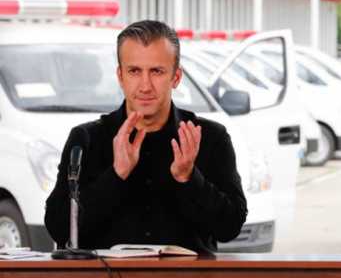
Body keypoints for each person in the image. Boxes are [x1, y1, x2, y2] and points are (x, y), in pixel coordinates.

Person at [45, 20, 247, 253]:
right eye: (134, 71)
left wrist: (189, 178)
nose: (145, 85)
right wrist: (116, 175)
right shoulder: (86, 139)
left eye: (157, 71)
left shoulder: (210, 137)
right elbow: (59, 228)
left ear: (176, 77)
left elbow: (231, 227)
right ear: (121, 77)